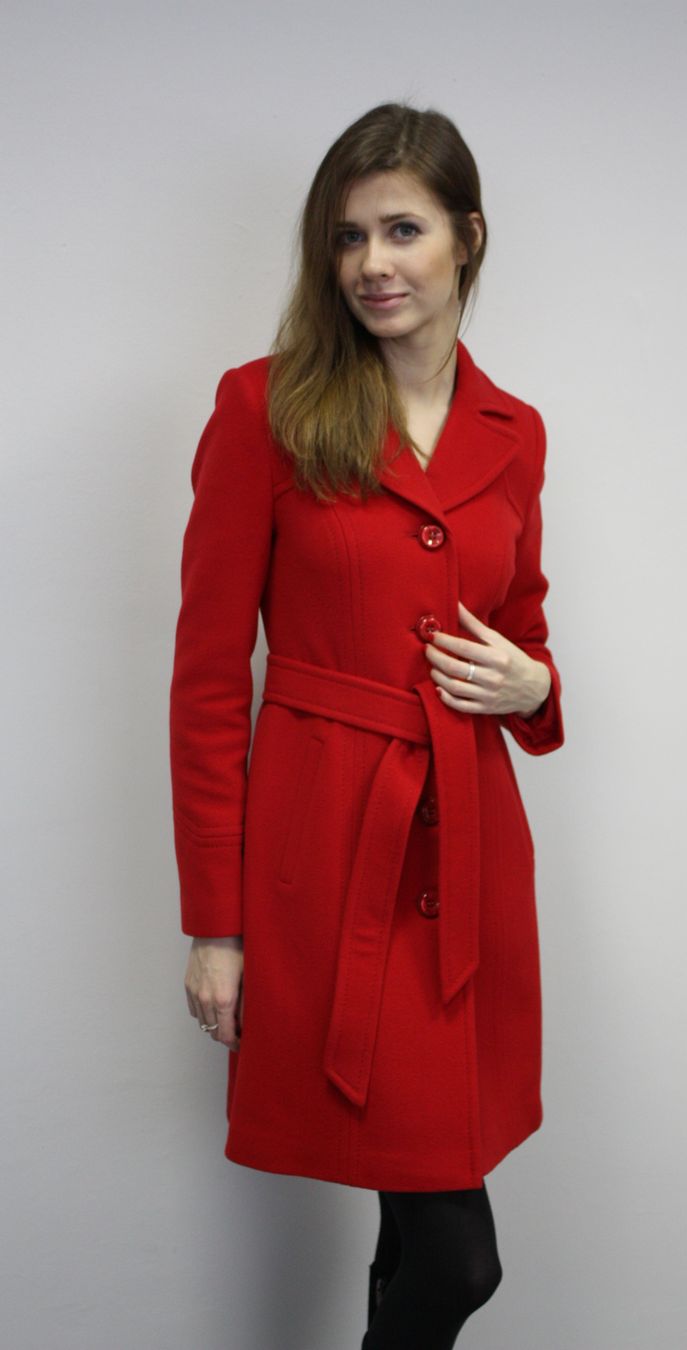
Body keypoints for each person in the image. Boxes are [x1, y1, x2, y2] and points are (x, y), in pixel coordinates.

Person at [169, 101, 565, 1349]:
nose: (373, 264)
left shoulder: (515, 432)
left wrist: (537, 688)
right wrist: (216, 925)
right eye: (349, 237)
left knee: (421, 1223)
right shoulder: (265, 409)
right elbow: (206, 680)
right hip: (328, 854)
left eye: (403, 230)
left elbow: (525, 631)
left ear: (468, 238)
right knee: (460, 1259)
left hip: (470, 859)